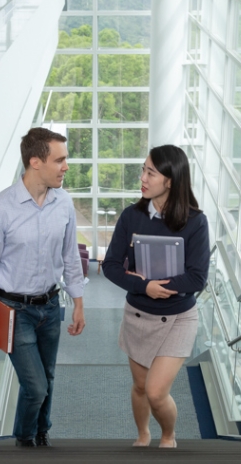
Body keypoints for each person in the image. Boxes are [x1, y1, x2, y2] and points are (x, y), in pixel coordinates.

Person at [0, 127, 85, 447]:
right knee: (35, 387)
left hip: (50, 306)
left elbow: (70, 256)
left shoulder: (63, 204)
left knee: (47, 378)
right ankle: (23, 438)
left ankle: (42, 432)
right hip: (14, 311)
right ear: (35, 162)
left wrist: (78, 303)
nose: (66, 167)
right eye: (60, 160)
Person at [102, 145, 209, 448]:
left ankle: (168, 435)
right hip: (138, 314)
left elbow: (197, 277)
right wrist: (143, 287)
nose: (143, 177)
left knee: (156, 391)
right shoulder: (131, 217)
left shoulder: (196, 222)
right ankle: (143, 434)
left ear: (171, 180)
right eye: (143, 170)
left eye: (151, 172)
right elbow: (110, 266)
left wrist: (155, 284)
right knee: (139, 386)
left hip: (178, 317)